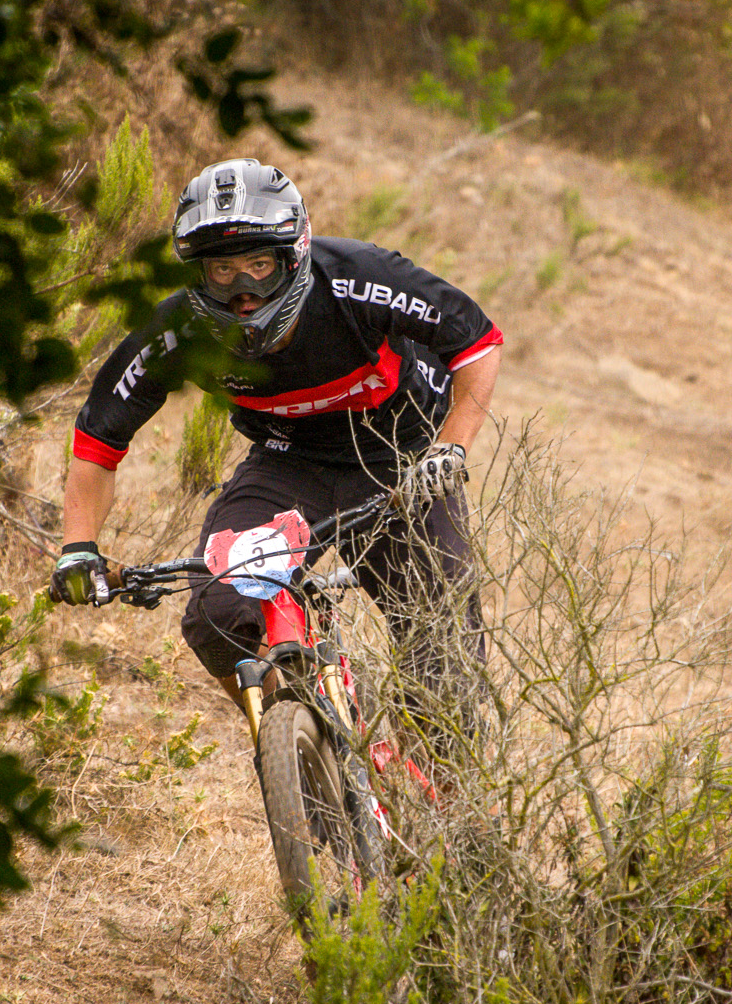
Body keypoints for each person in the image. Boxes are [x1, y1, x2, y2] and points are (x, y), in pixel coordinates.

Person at [48, 157, 503, 758]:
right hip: (288, 462)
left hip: (402, 459)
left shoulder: (360, 277)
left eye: (259, 266)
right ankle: (308, 751)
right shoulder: (176, 328)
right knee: (215, 614)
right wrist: (78, 546)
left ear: (294, 256)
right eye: (222, 270)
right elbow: (97, 441)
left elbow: (477, 341)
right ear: (197, 273)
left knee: (442, 658)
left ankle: (446, 798)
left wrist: (451, 447)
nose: (243, 291)